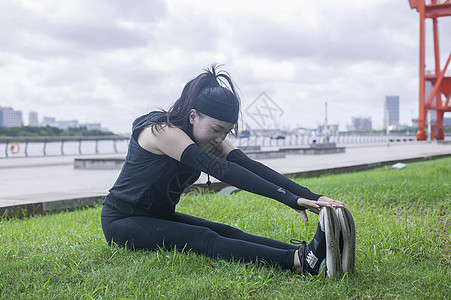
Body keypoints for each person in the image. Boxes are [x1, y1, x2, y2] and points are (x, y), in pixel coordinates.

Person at [101, 65, 355, 278]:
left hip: (158, 217)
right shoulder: (161, 131)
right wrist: (289, 200)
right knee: (202, 237)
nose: (221, 138)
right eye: (216, 129)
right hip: (122, 222)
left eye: (227, 132)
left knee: (227, 231)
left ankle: (311, 251)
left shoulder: (207, 136)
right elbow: (222, 169)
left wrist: (308, 195)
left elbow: (247, 166)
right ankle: (302, 262)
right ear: (192, 116)